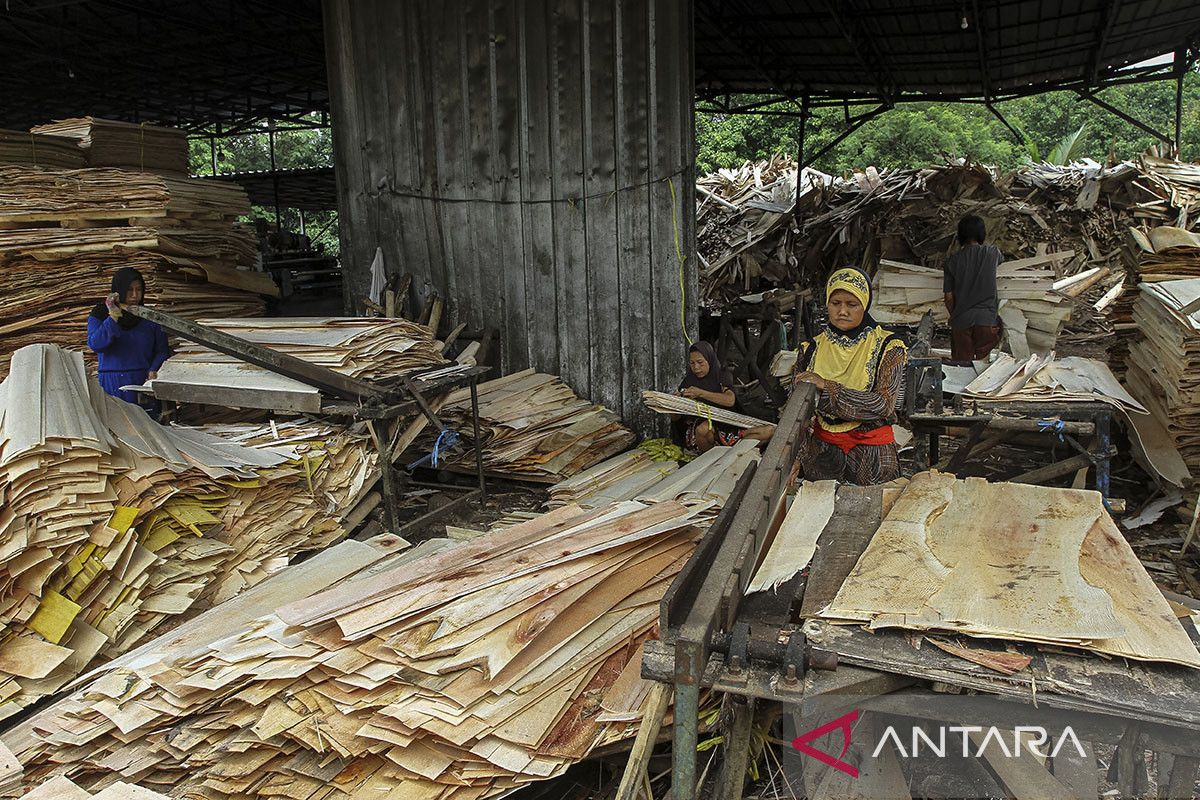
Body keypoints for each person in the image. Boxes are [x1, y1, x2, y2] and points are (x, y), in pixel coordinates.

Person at [793, 267, 907, 484]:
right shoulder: (811, 348)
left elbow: (883, 404)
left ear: (864, 305)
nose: (842, 311)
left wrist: (826, 386)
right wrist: (796, 458)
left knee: (871, 512)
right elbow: (799, 412)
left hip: (870, 455)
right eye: (835, 303)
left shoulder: (888, 347)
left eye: (851, 304)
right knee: (820, 511)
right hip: (822, 454)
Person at [87, 267, 170, 416]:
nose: (134, 295)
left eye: (139, 290)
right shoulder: (100, 314)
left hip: (141, 381)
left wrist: (153, 369)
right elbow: (96, 344)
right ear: (119, 290)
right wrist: (113, 316)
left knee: (147, 429)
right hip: (111, 382)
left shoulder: (149, 317)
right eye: (129, 290)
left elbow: (162, 350)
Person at [675, 341, 773, 453]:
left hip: (730, 427)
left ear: (709, 360)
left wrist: (701, 393)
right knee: (703, 429)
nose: (696, 367)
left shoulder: (722, 375)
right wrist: (675, 403)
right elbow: (676, 419)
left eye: (700, 362)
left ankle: (730, 452)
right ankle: (709, 458)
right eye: (692, 363)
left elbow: (730, 400)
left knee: (769, 431)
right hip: (703, 434)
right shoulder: (689, 382)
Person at [943, 214, 1002, 362]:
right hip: (987, 321)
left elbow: (948, 297)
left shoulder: (951, 262)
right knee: (982, 367)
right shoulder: (992, 253)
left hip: (962, 321)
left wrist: (956, 315)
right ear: (982, 234)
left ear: (960, 235)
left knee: (961, 366)